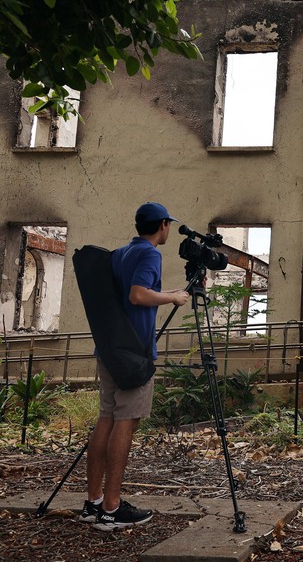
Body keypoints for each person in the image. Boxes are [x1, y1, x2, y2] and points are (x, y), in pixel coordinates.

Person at [80, 202, 190, 531]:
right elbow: (138, 295)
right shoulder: (151, 255)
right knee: (125, 422)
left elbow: (135, 293)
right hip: (134, 354)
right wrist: (171, 299)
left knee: (107, 419)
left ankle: (94, 502)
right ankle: (112, 510)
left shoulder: (121, 252)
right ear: (163, 226)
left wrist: (169, 293)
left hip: (111, 349)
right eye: (168, 225)